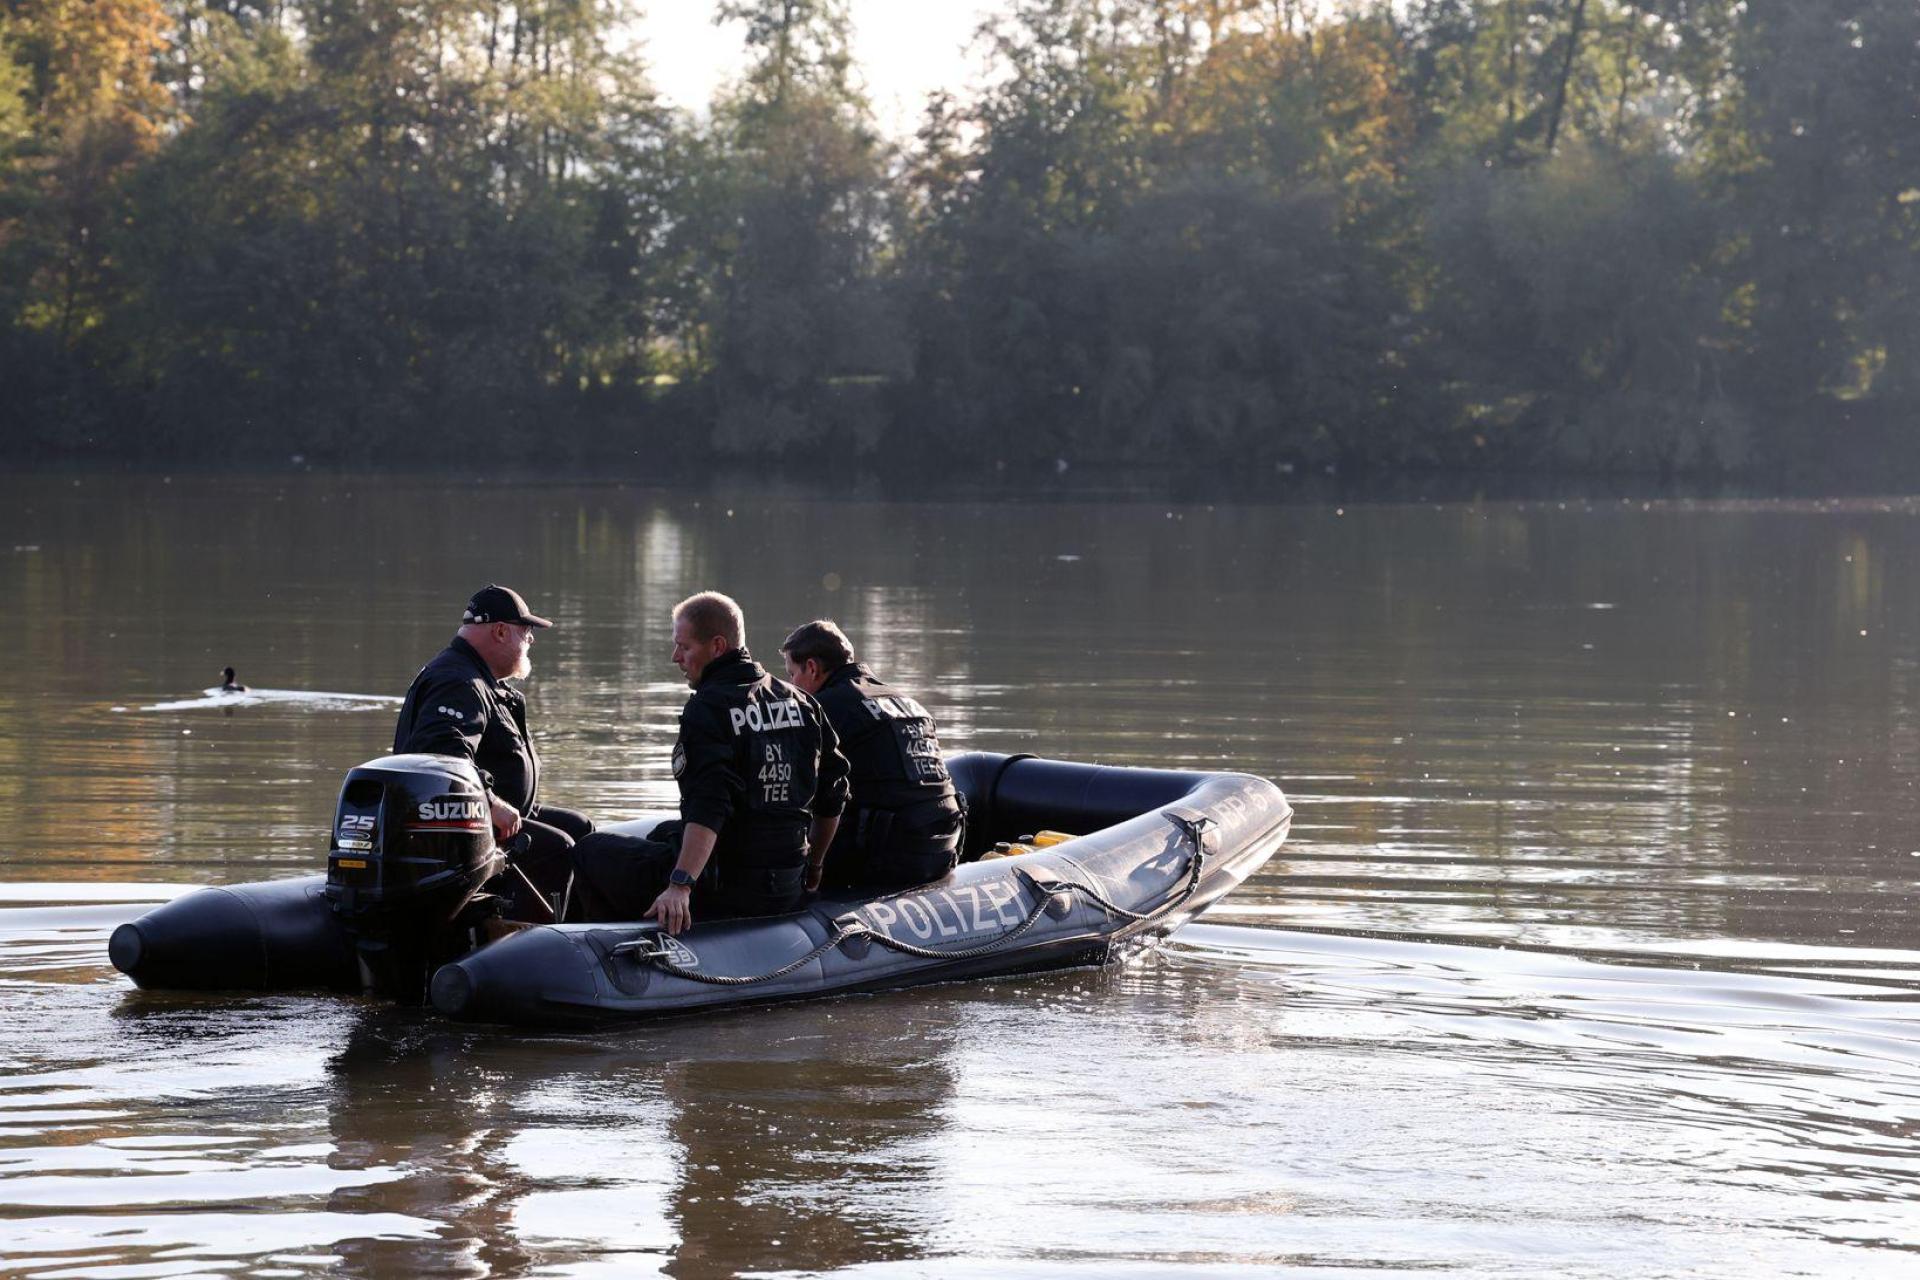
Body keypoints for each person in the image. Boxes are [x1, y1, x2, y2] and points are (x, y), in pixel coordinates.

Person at [568, 591, 849, 932]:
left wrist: (681, 884)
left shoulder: (709, 708)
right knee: (662, 833)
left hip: (727, 885)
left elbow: (709, 802)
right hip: (788, 881)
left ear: (717, 646)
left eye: (684, 647)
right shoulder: (803, 703)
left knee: (589, 850)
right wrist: (814, 867)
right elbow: (832, 794)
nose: (676, 657)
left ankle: (607, 949)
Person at [392, 584, 592, 917]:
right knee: (558, 848)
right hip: (461, 829)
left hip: (497, 815)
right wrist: (491, 802)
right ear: (500, 631)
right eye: (525, 631)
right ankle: (534, 947)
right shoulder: (458, 681)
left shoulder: (476, 678)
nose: (531, 639)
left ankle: (589, 935)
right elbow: (438, 756)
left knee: (579, 827)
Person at [779, 620, 964, 890]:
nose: (790, 685)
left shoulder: (822, 708)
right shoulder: (907, 701)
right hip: (945, 847)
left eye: (792, 675)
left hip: (890, 857)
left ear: (811, 668)